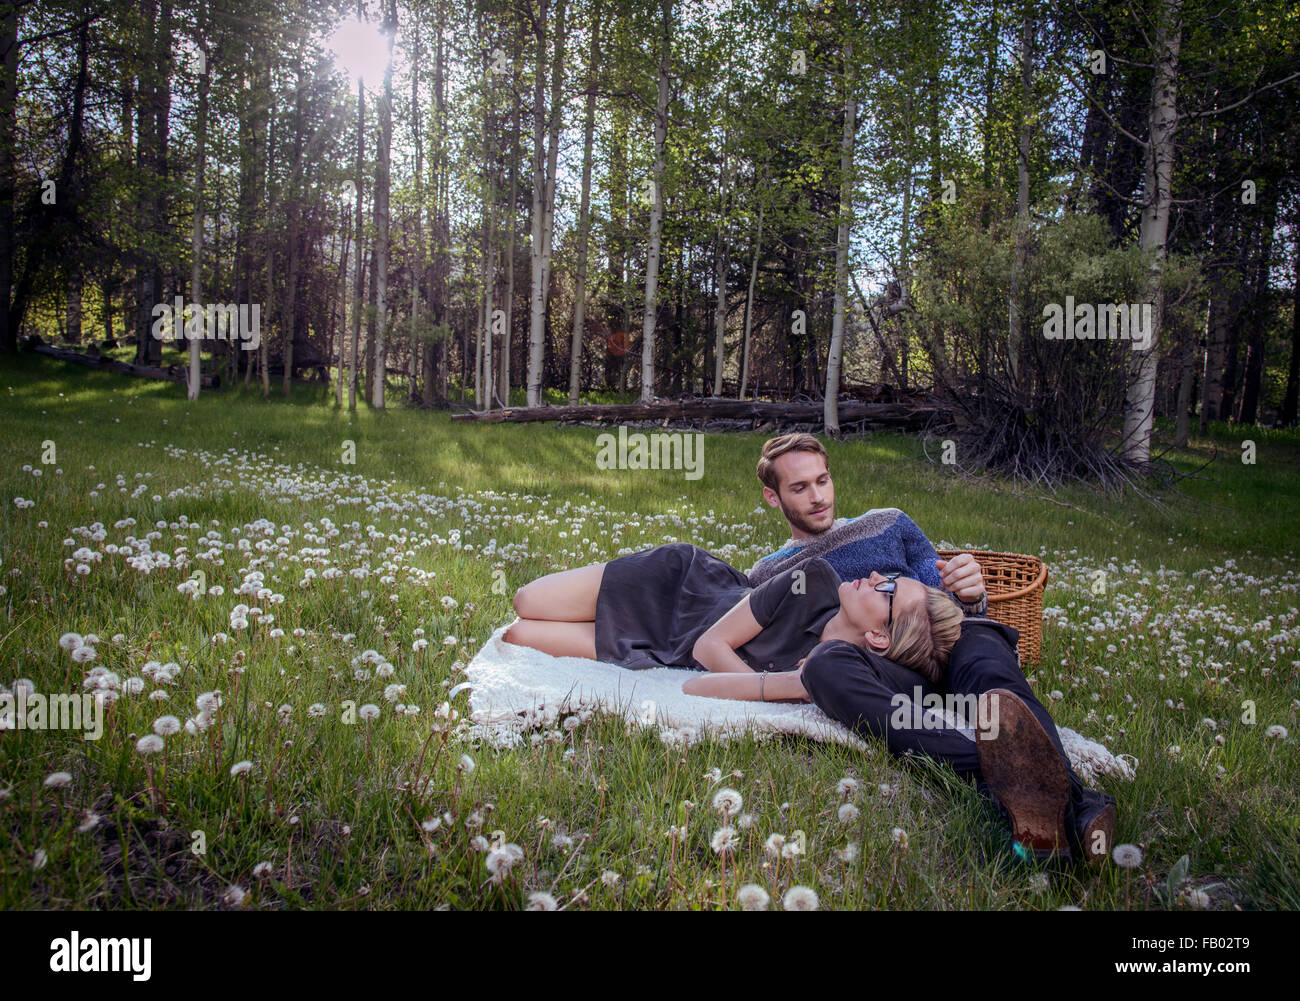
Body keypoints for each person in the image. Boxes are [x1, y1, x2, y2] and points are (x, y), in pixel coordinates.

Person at [750, 432, 1117, 864]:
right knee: (827, 667)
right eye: (799, 488)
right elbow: (779, 637)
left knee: (991, 672)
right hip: (881, 661)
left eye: (823, 480)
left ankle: (1053, 798)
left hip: (948, 636)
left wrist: (971, 590)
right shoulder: (770, 571)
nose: (817, 497)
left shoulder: (888, 522)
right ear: (772, 498)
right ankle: (1053, 799)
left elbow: (943, 586)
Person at [505, 543, 964, 703]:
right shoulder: (814, 579)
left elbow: (695, 684)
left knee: (518, 635)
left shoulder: (835, 671)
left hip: (663, 649)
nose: (878, 577)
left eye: (888, 591)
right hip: (674, 588)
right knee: (526, 600)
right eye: (893, 578)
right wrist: (773, 683)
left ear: (879, 636)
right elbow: (710, 647)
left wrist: (795, 685)